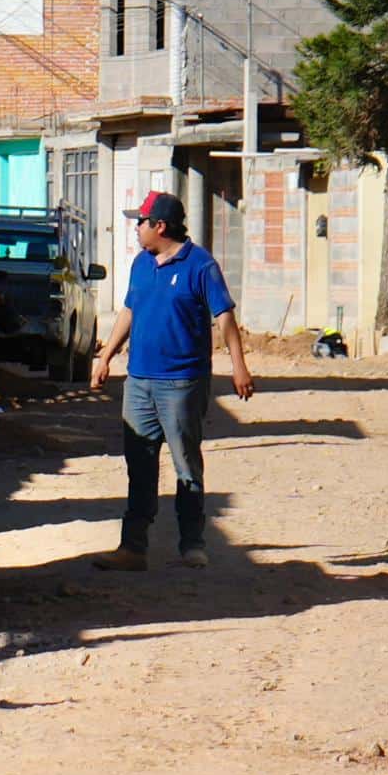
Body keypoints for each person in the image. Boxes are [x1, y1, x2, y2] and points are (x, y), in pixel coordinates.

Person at [87, 189, 256, 569]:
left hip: (182, 383)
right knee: (140, 464)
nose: (136, 229)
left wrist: (239, 366)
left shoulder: (200, 266)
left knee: (186, 465)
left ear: (159, 226)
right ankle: (133, 548)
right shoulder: (140, 265)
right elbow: (129, 310)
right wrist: (106, 356)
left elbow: (225, 317)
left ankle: (193, 543)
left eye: (140, 222)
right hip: (139, 382)